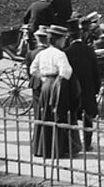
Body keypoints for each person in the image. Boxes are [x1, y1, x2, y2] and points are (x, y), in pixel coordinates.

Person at [29, 24, 80, 159]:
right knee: (59, 113)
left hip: (46, 86)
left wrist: (44, 77)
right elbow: (66, 72)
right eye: (63, 39)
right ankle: (58, 148)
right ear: (58, 40)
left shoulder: (42, 53)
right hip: (58, 85)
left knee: (45, 114)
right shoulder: (60, 54)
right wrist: (58, 81)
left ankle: (43, 148)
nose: (64, 42)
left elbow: (32, 70)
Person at [64, 19, 100, 152]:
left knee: (72, 116)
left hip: (73, 90)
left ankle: (74, 143)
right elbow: (96, 73)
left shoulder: (66, 52)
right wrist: (96, 88)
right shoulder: (90, 51)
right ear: (80, 35)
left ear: (69, 36)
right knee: (88, 118)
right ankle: (87, 143)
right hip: (88, 90)